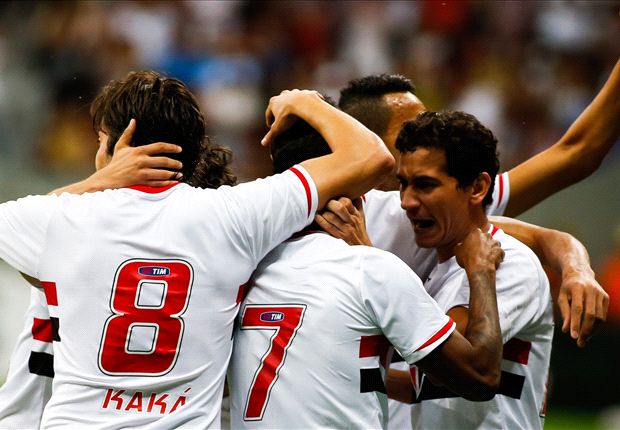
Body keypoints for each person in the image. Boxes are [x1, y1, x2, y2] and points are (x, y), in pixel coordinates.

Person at [0, 70, 394, 428]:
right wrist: (305, 100)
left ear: (120, 144)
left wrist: (97, 182)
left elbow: (37, 228)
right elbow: (371, 156)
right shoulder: (234, 215)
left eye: (102, 142)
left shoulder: (61, 221)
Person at [227, 118, 505, 429]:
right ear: (356, 192)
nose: (405, 202)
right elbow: (481, 377)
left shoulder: (240, 270)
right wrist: (481, 271)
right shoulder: (372, 270)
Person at [386, 111, 553, 429]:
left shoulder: (509, 262)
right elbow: (423, 385)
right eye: (403, 184)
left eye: (424, 185)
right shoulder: (436, 271)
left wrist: (370, 266)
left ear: (477, 187)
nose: (406, 201)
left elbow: (472, 368)